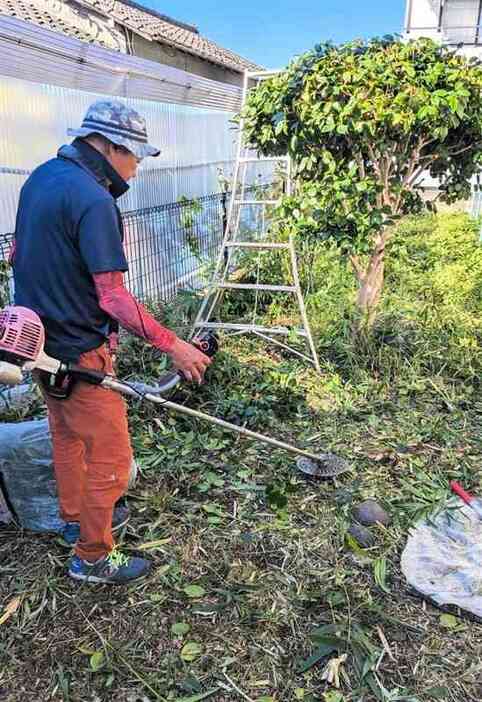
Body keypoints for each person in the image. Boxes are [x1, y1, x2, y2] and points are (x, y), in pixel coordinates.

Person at [11, 100, 211, 584]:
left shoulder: (41, 178)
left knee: (66, 437)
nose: (136, 170)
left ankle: (75, 520)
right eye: (135, 158)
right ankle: (94, 556)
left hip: (37, 344)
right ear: (109, 146)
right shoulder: (94, 200)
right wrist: (176, 346)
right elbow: (113, 297)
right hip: (81, 350)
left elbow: (17, 254)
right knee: (112, 459)